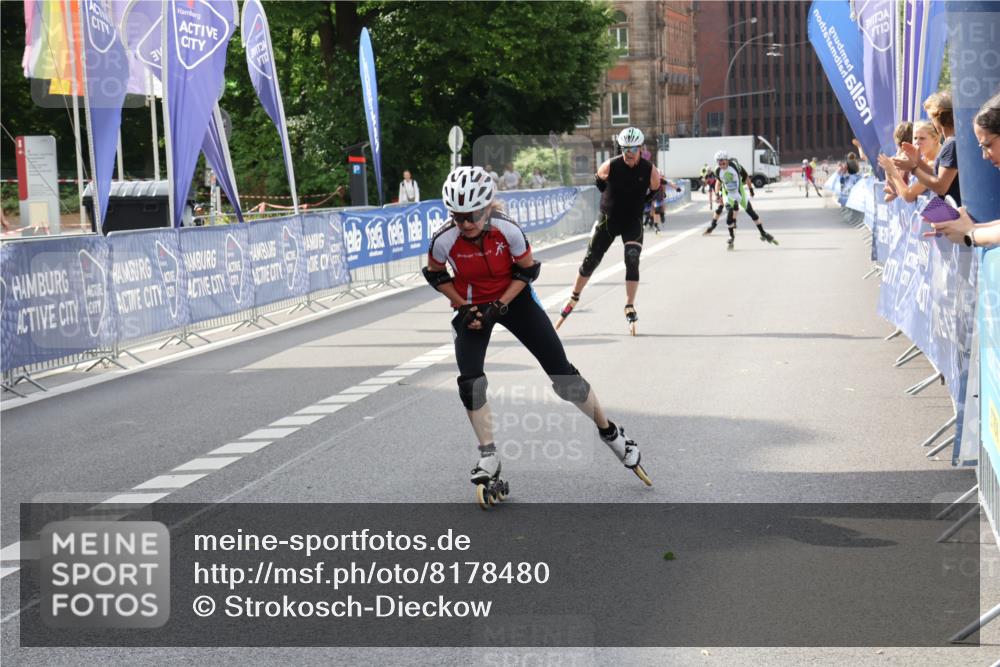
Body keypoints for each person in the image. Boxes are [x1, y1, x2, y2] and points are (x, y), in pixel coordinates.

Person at [423, 166, 652, 507]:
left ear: (487, 208)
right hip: (472, 306)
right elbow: (435, 273)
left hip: (514, 300)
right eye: (457, 217)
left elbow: (527, 271)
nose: (465, 224)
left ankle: (610, 432)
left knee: (563, 376)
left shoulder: (507, 230)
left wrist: (499, 306)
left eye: (471, 216)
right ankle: (488, 455)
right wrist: (462, 306)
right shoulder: (445, 238)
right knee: (470, 382)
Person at [555, 126, 662, 334]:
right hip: (609, 219)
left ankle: (629, 305)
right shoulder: (610, 165)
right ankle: (574, 296)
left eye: (632, 148)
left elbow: (656, 189)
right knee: (591, 260)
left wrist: (643, 202)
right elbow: (598, 181)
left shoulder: (650, 170)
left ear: (640, 148)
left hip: (632, 220)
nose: (628, 153)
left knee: (632, 257)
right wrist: (610, 197)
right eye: (624, 148)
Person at [928, 91, 1000, 248]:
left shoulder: (951, 144)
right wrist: (962, 229)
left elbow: (940, 186)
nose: (984, 156)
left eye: (987, 145)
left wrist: (970, 234)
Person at [892, 91, 961, 206]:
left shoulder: (951, 144)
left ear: (938, 118)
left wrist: (914, 169)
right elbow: (936, 175)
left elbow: (941, 187)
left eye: (931, 118)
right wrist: (918, 161)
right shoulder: (950, 142)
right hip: (944, 212)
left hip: (950, 213)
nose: (932, 123)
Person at [702, 150, 776, 249]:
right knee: (729, 215)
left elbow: (747, 178)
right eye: (719, 163)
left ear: (727, 161)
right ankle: (731, 237)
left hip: (739, 193)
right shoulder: (718, 170)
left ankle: (763, 232)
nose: (722, 165)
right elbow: (718, 183)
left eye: (723, 163)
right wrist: (717, 194)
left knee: (752, 213)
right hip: (728, 194)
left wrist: (751, 190)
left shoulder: (736, 166)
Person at [879, 121, 939, 203]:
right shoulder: (921, 160)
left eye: (922, 138)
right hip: (922, 214)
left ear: (935, 139)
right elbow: (902, 192)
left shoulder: (934, 164)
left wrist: (893, 173)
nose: (917, 142)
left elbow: (908, 196)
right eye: (915, 138)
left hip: (934, 213)